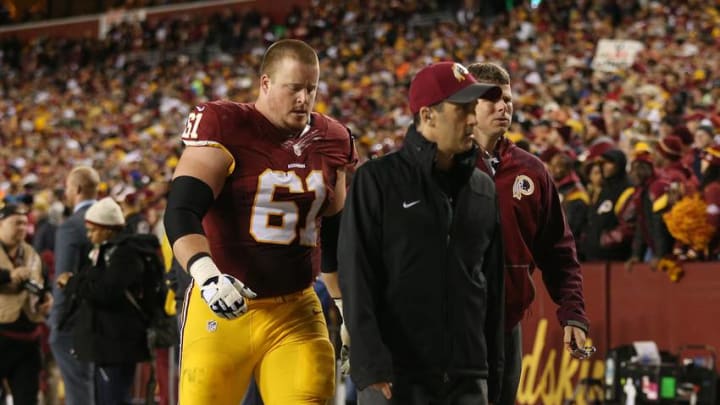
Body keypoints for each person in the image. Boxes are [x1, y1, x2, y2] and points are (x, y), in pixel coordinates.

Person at [163, 38, 355, 404]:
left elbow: (334, 234)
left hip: (295, 310)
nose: (304, 98)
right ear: (265, 83)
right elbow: (181, 210)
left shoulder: (333, 139)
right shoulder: (226, 124)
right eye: (294, 88)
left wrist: (347, 311)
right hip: (222, 305)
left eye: (311, 89)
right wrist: (207, 276)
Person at [339, 61, 505, 405]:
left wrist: (493, 373)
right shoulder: (378, 180)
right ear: (428, 116)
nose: (473, 119)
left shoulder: (483, 190)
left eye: (474, 108)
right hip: (396, 377)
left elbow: (492, 290)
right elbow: (357, 276)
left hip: (468, 379)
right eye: (462, 109)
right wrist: (370, 363)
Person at [467, 62, 590, 405]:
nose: (503, 106)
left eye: (507, 98)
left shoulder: (532, 171)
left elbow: (559, 252)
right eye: (490, 98)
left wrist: (573, 314)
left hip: (507, 325)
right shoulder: (439, 165)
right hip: (449, 327)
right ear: (466, 105)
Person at [56, 197, 153, 405]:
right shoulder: (107, 251)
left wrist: (72, 283)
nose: (90, 236)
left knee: (114, 399)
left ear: (108, 229)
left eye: (93, 230)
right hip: (107, 342)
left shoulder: (124, 254)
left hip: (116, 343)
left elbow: (106, 292)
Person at [48, 166, 99, 405]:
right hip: (110, 322)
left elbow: (63, 279)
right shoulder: (114, 219)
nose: (66, 193)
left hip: (76, 323)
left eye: (68, 188)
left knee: (79, 390)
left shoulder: (72, 226)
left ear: (77, 189)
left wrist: (56, 321)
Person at [0, 204, 53, 405]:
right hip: (1, 333)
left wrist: (47, 297)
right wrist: (7, 276)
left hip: (27, 338)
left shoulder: (32, 253)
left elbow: (44, 282)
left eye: (24, 222)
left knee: (27, 397)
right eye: (16, 222)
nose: (22, 227)